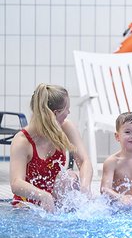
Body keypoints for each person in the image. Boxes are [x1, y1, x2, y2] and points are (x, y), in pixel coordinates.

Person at [9, 83, 93, 213]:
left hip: (57, 201)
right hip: (29, 204)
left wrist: (85, 187)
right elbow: (16, 183)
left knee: (68, 178)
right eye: (67, 109)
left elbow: (84, 161)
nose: (69, 113)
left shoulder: (66, 127)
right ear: (56, 113)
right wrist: (43, 195)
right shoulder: (22, 141)